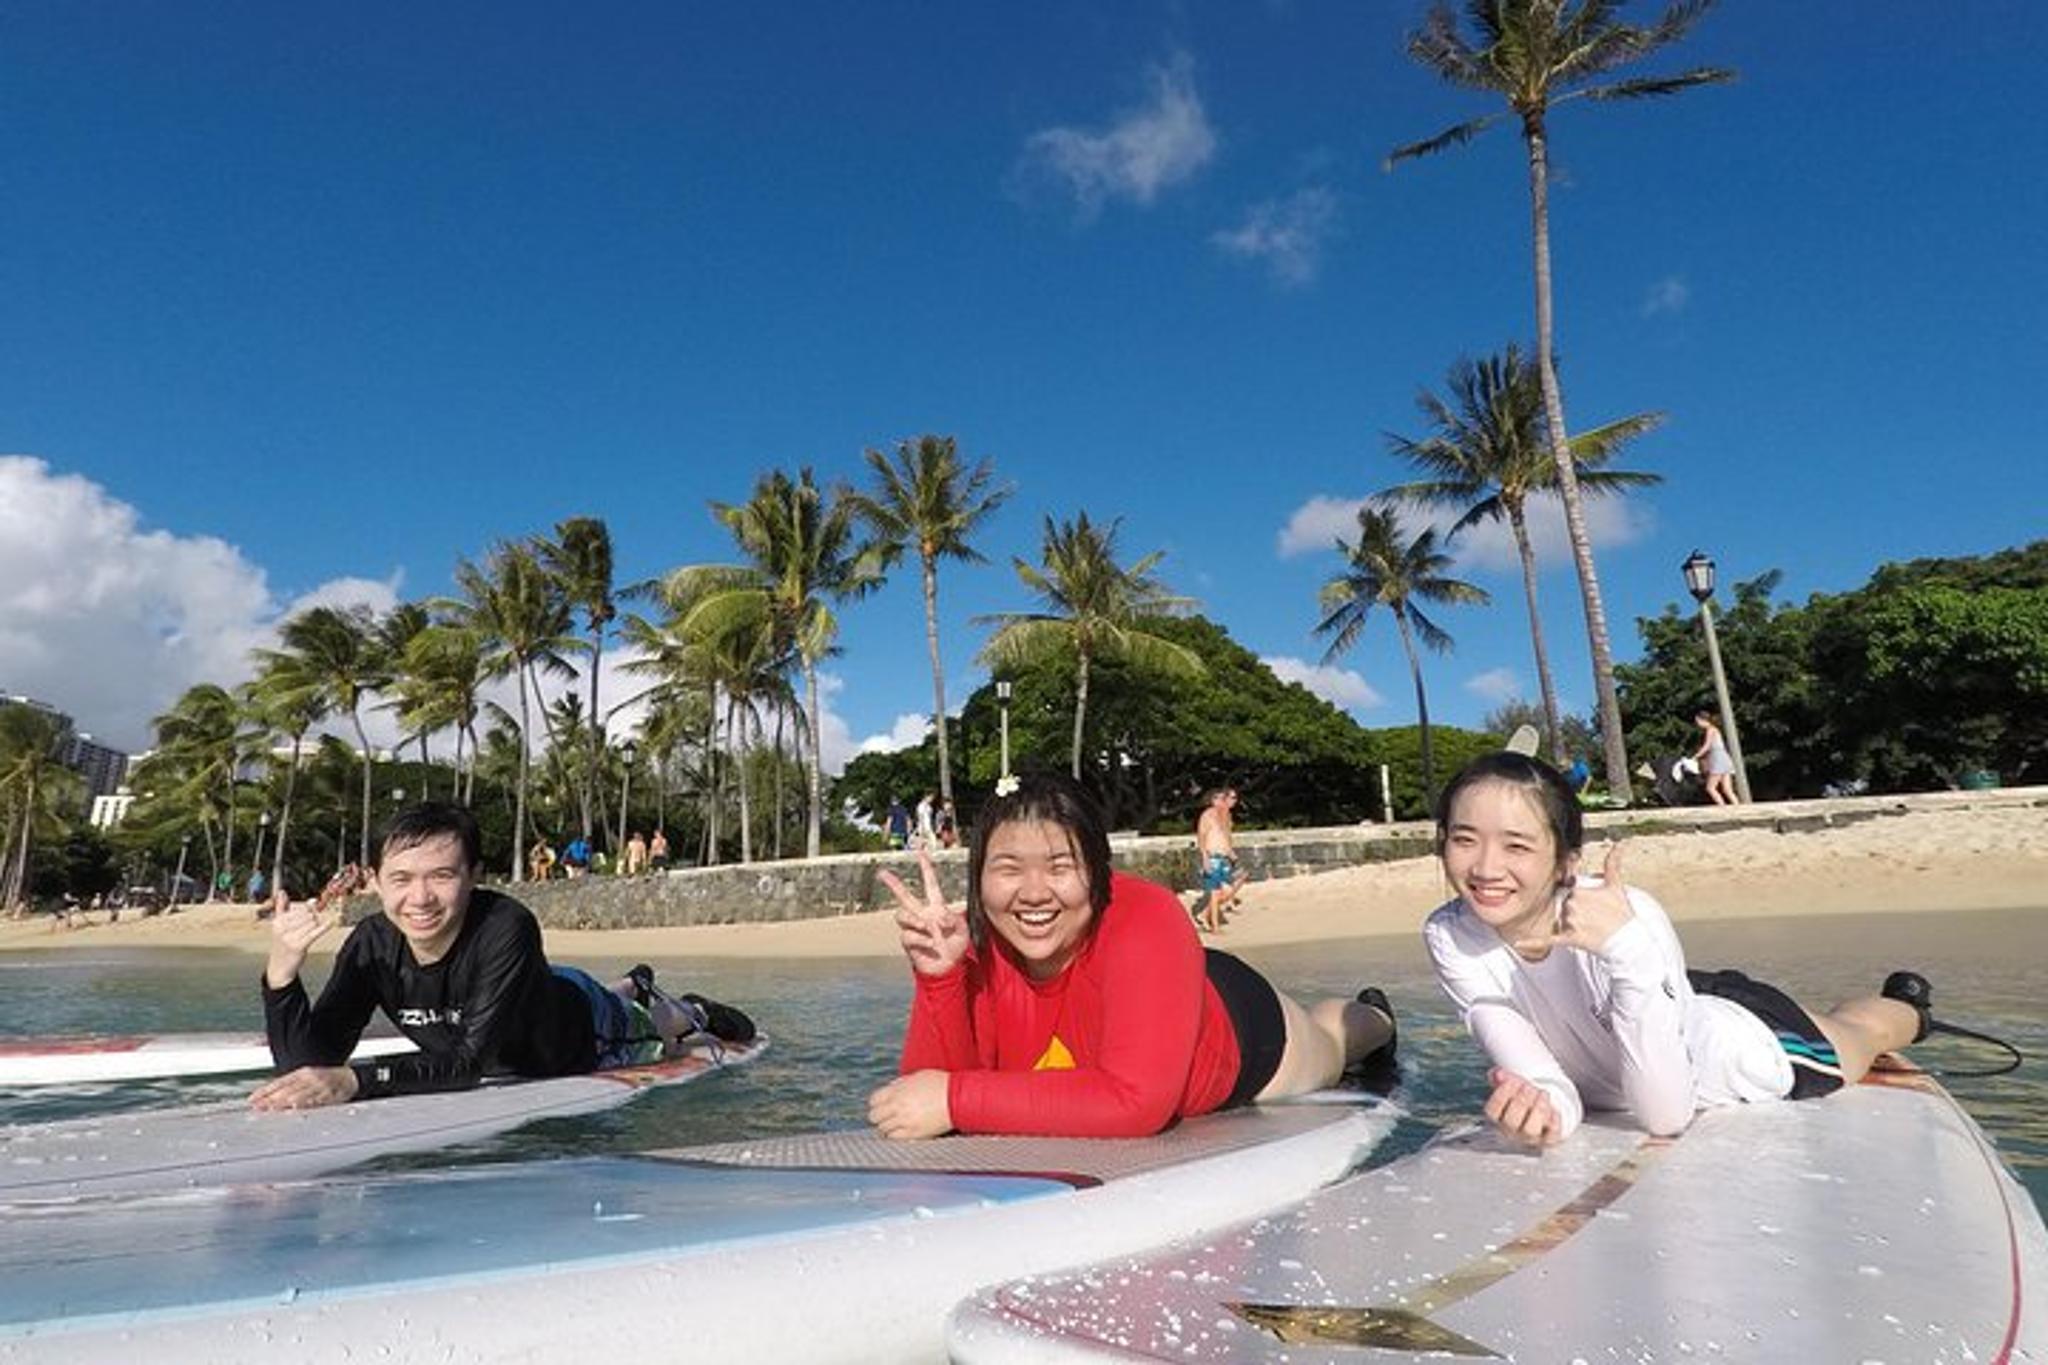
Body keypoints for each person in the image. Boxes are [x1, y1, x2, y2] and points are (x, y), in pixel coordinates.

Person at [1423, 751, 1940, 1146]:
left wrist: (1628, 951)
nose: (1485, 868)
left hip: (1736, 1048)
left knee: (1864, 1033)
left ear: (1566, 862)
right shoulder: (1450, 935)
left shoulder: (1626, 921)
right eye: (1464, 839)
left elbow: (1665, 1115)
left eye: (1516, 845)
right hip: (1670, 999)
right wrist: (1547, 1110)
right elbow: (1541, 1074)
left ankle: (1907, 1006)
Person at [867, 773, 1397, 1140]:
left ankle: (1378, 1016)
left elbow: (1136, 1103)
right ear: (978, 876)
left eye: (1060, 867)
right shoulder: (973, 941)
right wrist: (939, 978)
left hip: (1237, 1026)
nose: (1033, 893)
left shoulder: (1146, 913)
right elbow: (915, 1102)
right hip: (1157, 983)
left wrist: (956, 1099)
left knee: (1334, 1042)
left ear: (1098, 871)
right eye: (1008, 869)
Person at [251, 802, 752, 1111]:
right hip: (526, 990)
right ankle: (631, 981)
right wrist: (282, 972)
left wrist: (358, 1079)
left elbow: (471, 1062)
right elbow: (307, 1065)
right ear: (375, 882)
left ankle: (688, 1007)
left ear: (473, 876)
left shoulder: (506, 925)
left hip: (581, 1030)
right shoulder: (371, 944)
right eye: (401, 879)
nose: (420, 898)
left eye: (442, 876)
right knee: (570, 988)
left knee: (654, 1025)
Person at [1191, 787, 1249, 934]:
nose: (1224, 801)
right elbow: (1201, 837)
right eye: (1220, 798)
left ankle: (1205, 915)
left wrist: (1232, 854)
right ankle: (1215, 927)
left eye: (1224, 798)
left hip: (1223, 857)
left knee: (1228, 890)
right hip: (1212, 857)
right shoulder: (1207, 815)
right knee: (1216, 893)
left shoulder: (1224, 815)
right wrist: (1205, 858)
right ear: (1212, 800)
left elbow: (1225, 838)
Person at [1691, 709, 1738, 806]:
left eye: (1697, 721)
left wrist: (1696, 756)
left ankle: (1723, 807)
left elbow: (1707, 746)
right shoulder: (1714, 729)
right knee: (1727, 789)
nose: (1697, 724)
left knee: (1710, 788)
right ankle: (1738, 808)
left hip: (1718, 759)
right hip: (1724, 758)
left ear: (1702, 720)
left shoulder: (1710, 730)